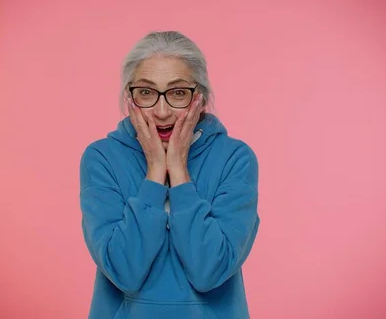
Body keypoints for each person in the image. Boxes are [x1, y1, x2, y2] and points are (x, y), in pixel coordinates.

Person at [79, 31, 260, 319]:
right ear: (130, 97)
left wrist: (178, 171)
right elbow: (123, 271)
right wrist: (154, 173)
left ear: (199, 97)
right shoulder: (102, 157)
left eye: (178, 93)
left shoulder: (234, 158)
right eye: (147, 93)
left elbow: (209, 271)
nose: (162, 112)